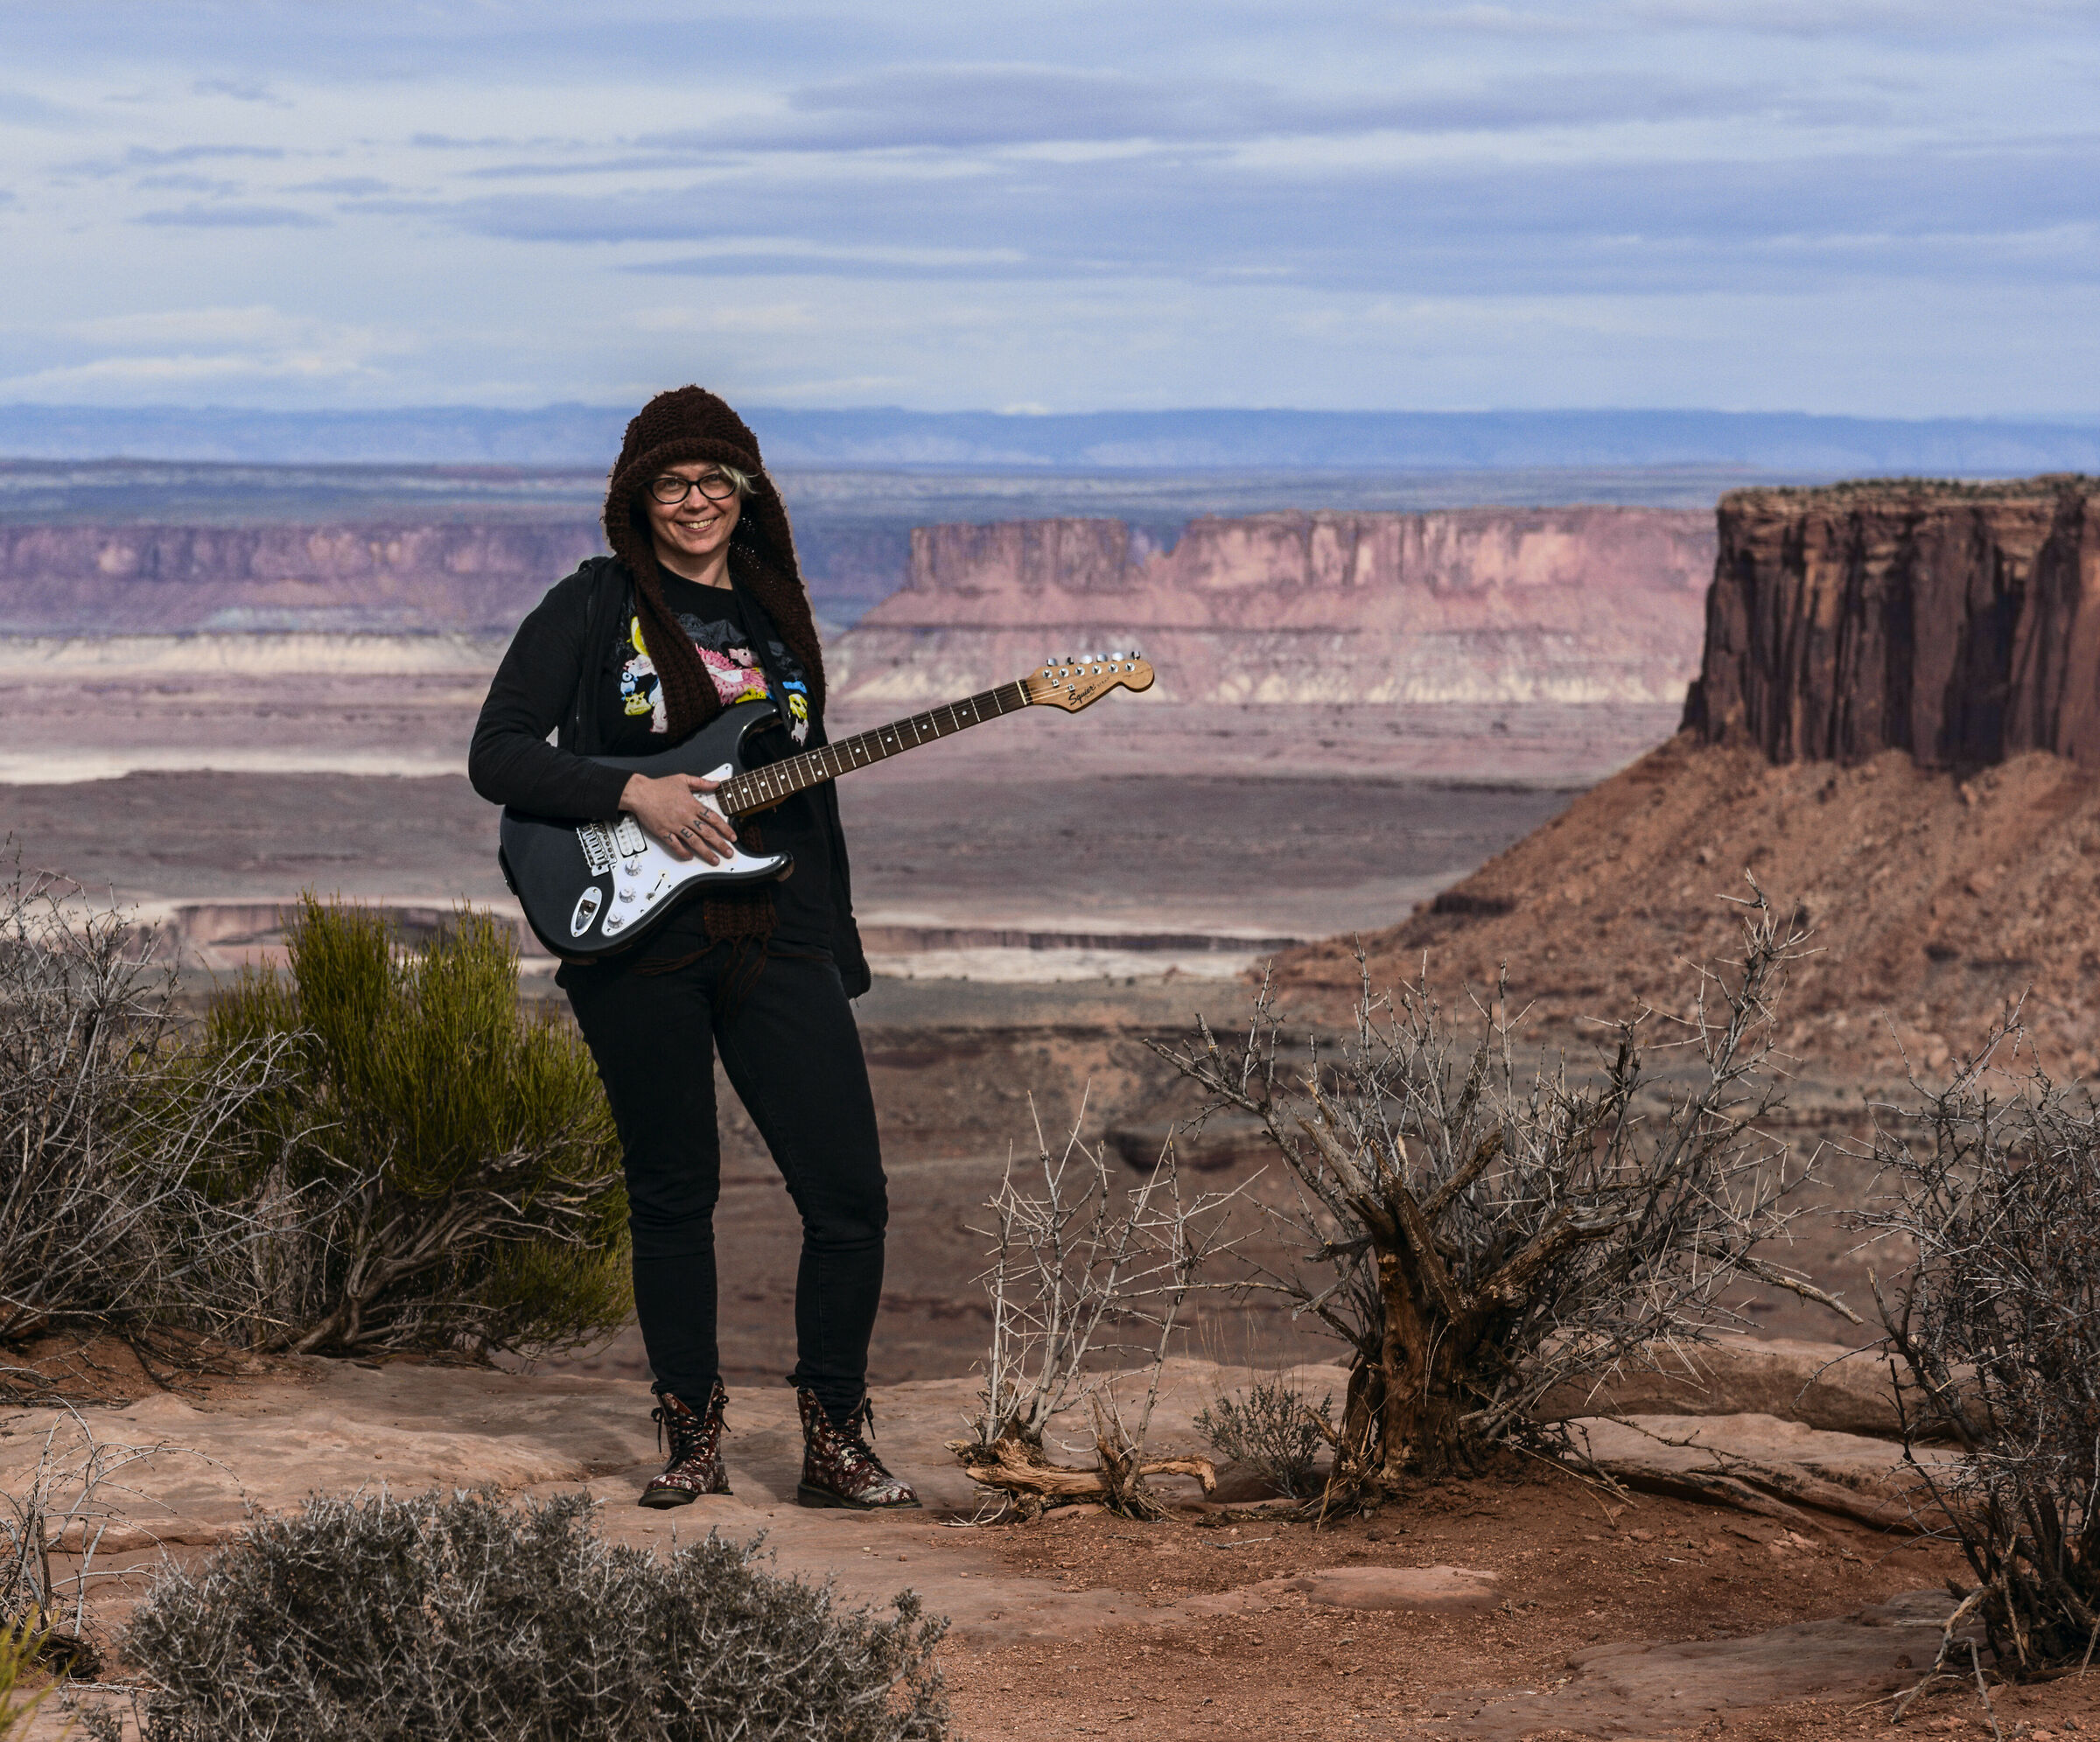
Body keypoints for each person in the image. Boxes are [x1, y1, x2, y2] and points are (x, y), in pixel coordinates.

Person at [468, 385, 918, 1512]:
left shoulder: (778, 613)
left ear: (748, 491)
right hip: (641, 945)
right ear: (636, 499)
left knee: (849, 1195)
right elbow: (498, 752)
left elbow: (807, 792)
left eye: (716, 481)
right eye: (671, 484)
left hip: (780, 933)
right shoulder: (592, 605)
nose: (695, 502)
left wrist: (838, 939)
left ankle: (833, 1437)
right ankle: (692, 1437)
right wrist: (634, 792)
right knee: (675, 1193)